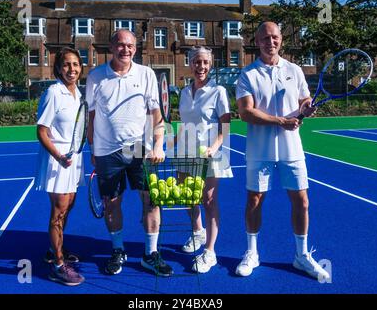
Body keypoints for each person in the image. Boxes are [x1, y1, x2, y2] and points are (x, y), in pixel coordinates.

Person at [234, 21, 330, 281]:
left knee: (302, 201)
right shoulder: (247, 74)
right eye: (265, 38)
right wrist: (281, 121)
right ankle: (252, 253)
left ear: (281, 40)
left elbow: (303, 100)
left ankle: (301, 256)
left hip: (292, 148)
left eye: (274, 37)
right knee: (255, 200)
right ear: (257, 41)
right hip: (259, 149)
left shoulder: (295, 70)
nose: (270, 42)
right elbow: (245, 112)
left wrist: (308, 107)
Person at [86, 29, 173, 277]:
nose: (126, 50)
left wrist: (158, 145)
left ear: (136, 48)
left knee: (151, 200)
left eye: (131, 46)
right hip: (107, 151)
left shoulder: (146, 74)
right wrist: (93, 148)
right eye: (121, 45)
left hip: (140, 148)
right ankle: (117, 250)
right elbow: (91, 117)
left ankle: (150, 254)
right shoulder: (95, 77)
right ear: (111, 47)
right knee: (112, 204)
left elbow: (156, 115)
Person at [177, 46, 233, 273]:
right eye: (196, 62)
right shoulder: (183, 92)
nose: (201, 67)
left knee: (208, 200)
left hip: (211, 152)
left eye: (205, 63)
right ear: (190, 64)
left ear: (210, 65)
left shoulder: (218, 90)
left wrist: (214, 147)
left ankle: (210, 251)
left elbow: (225, 125)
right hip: (185, 151)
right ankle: (198, 232)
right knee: (186, 195)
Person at [35, 47, 85, 286]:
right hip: (58, 160)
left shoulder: (79, 94)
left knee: (69, 206)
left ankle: (56, 249)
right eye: (66, 65)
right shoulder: (53, 92)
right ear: (58, 68)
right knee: (59, 210)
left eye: (75, 64)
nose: (72, 69)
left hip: (74, 159)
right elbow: (41, 132)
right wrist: (58, 156)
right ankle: (57, 265)